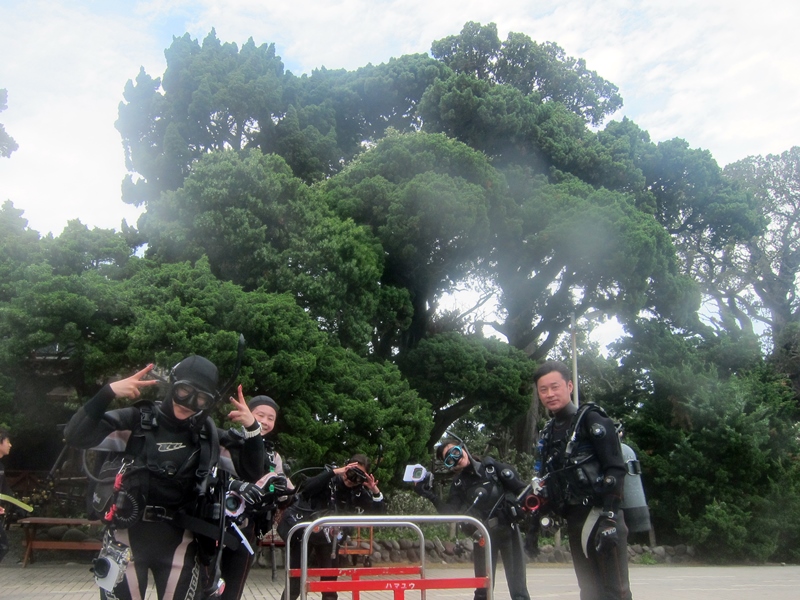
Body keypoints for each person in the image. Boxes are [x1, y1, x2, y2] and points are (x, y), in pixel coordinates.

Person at [64, 356, 265, 600]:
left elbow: (253, 472)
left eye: (201, 398)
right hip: (125, 537)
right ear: (172, 384)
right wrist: (107, 392)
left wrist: (253, 430)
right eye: (184, 391)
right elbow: (76, 436)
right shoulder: (137, 421)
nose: (189, 403)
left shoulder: (207, 436)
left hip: (179, 541)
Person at [533, 360, 632, 600]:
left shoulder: (591, 420)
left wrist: (609, 519)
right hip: (575, 519)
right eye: (543, 390)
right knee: (589, 591)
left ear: (569, 386)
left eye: (555, 387)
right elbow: (546, 479)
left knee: (615, 591)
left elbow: (616, 469)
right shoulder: (548, 432)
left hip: (601, 514)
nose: (550, 394)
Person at [413, 438, 531, 600]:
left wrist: (518, 507)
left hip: (508, 530)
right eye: (449, 459)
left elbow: (522, 490)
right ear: (449, 466)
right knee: (482, 590)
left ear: (463, 448)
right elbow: (450, 513)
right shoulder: (459, 484)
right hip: (482, 536)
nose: (455, 458)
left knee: (519, 591)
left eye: (455, 452)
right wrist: (429, 494)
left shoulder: (491, 468)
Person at [279, 454, 384, 600]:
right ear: (345, 466)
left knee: (329, 586)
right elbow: (307, 489)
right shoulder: (330, 479)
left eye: (357, 475)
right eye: (350, 471)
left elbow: (378, 516)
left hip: (331, 539)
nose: (350, 478)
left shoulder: (358, 491)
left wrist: (375, 491)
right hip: (307, 532)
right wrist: (334, 472)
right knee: (295, 583)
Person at [219, 395, 292, 600]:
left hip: (249, 527)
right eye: (260, 415)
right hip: (215, 522)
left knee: (233, 588)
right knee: (207, 584)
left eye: (271, 418)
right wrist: (235, 485)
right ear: (247, 412)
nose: (266, 422)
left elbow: (288, 492)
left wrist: (281, 489)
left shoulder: (272, 456)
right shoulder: (226, 441)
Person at [0, 428, 12, 563]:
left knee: (3, 546)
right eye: (7, 441)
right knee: (3, 546)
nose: (10, 445)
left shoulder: (1, 466)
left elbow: (5, 489)